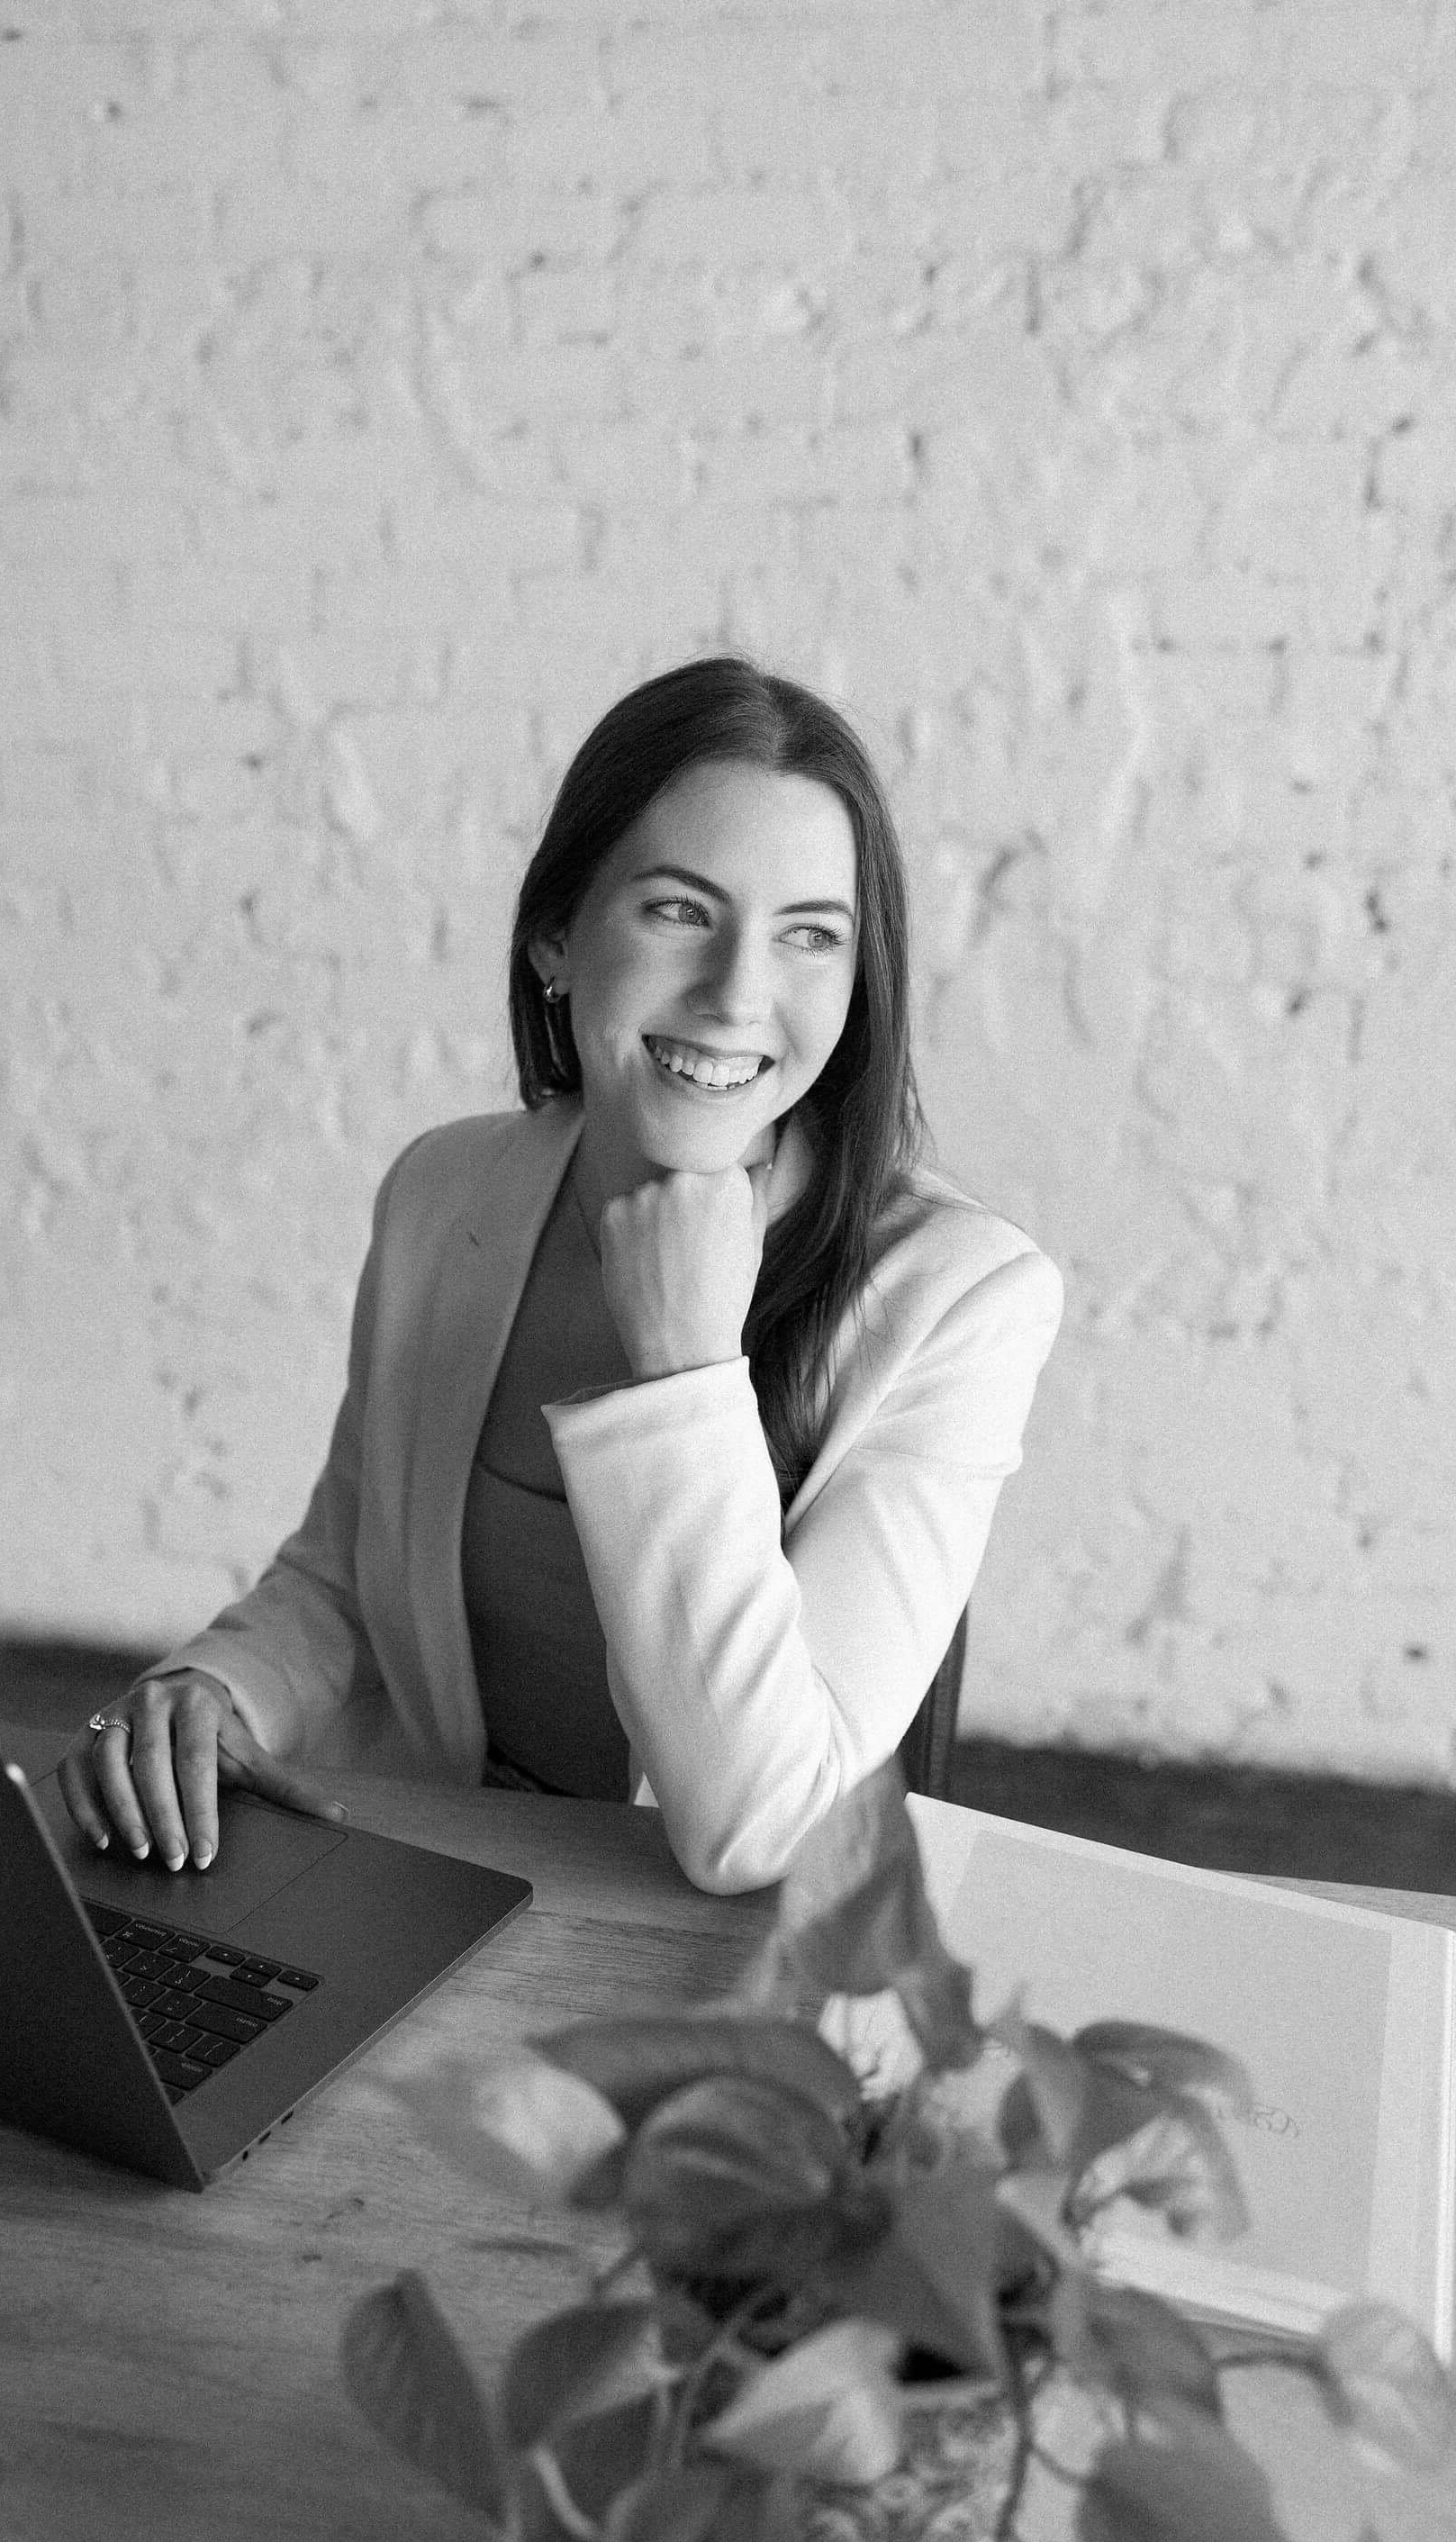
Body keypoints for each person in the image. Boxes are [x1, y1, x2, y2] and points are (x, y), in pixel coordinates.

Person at [59, 657, 1063, 1894]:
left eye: (810, 935)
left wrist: (689, 1368)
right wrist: (219, 1690)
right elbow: (348, 1577)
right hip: (434, 1881)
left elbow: (766, 1829)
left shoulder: (960, 1298)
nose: (740, 993)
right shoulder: (445, 1194)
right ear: (556, 936)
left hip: (725, 1971)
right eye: (680, 911)